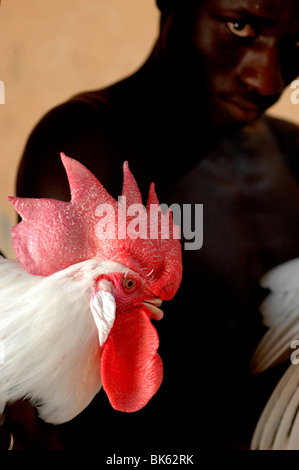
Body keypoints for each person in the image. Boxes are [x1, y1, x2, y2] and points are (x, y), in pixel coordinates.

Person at [3, 0, 299, 450]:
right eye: (239, 26)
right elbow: (68, 416)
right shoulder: (87, 145)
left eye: (297, 43)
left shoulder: (293, 151)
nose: (268, 80)